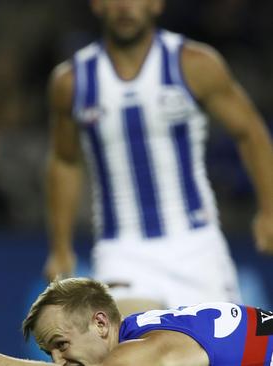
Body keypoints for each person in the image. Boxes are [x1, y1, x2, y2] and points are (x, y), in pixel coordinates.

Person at [43, 0, 273, 316]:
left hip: (198, 248)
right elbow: (65, 161)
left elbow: (250, 132)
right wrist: (60, 247)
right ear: (96, 5)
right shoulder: (72, 82)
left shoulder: (194, 64)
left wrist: (270, 210)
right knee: (131, 355)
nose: (125, 6)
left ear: (157, 4)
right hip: (122, 252)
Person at [0, 277, 273, 365]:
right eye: (49, 351)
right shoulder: (141, 332)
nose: (57, 361)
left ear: (100, 324)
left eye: (61, 345)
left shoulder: (135, 354)